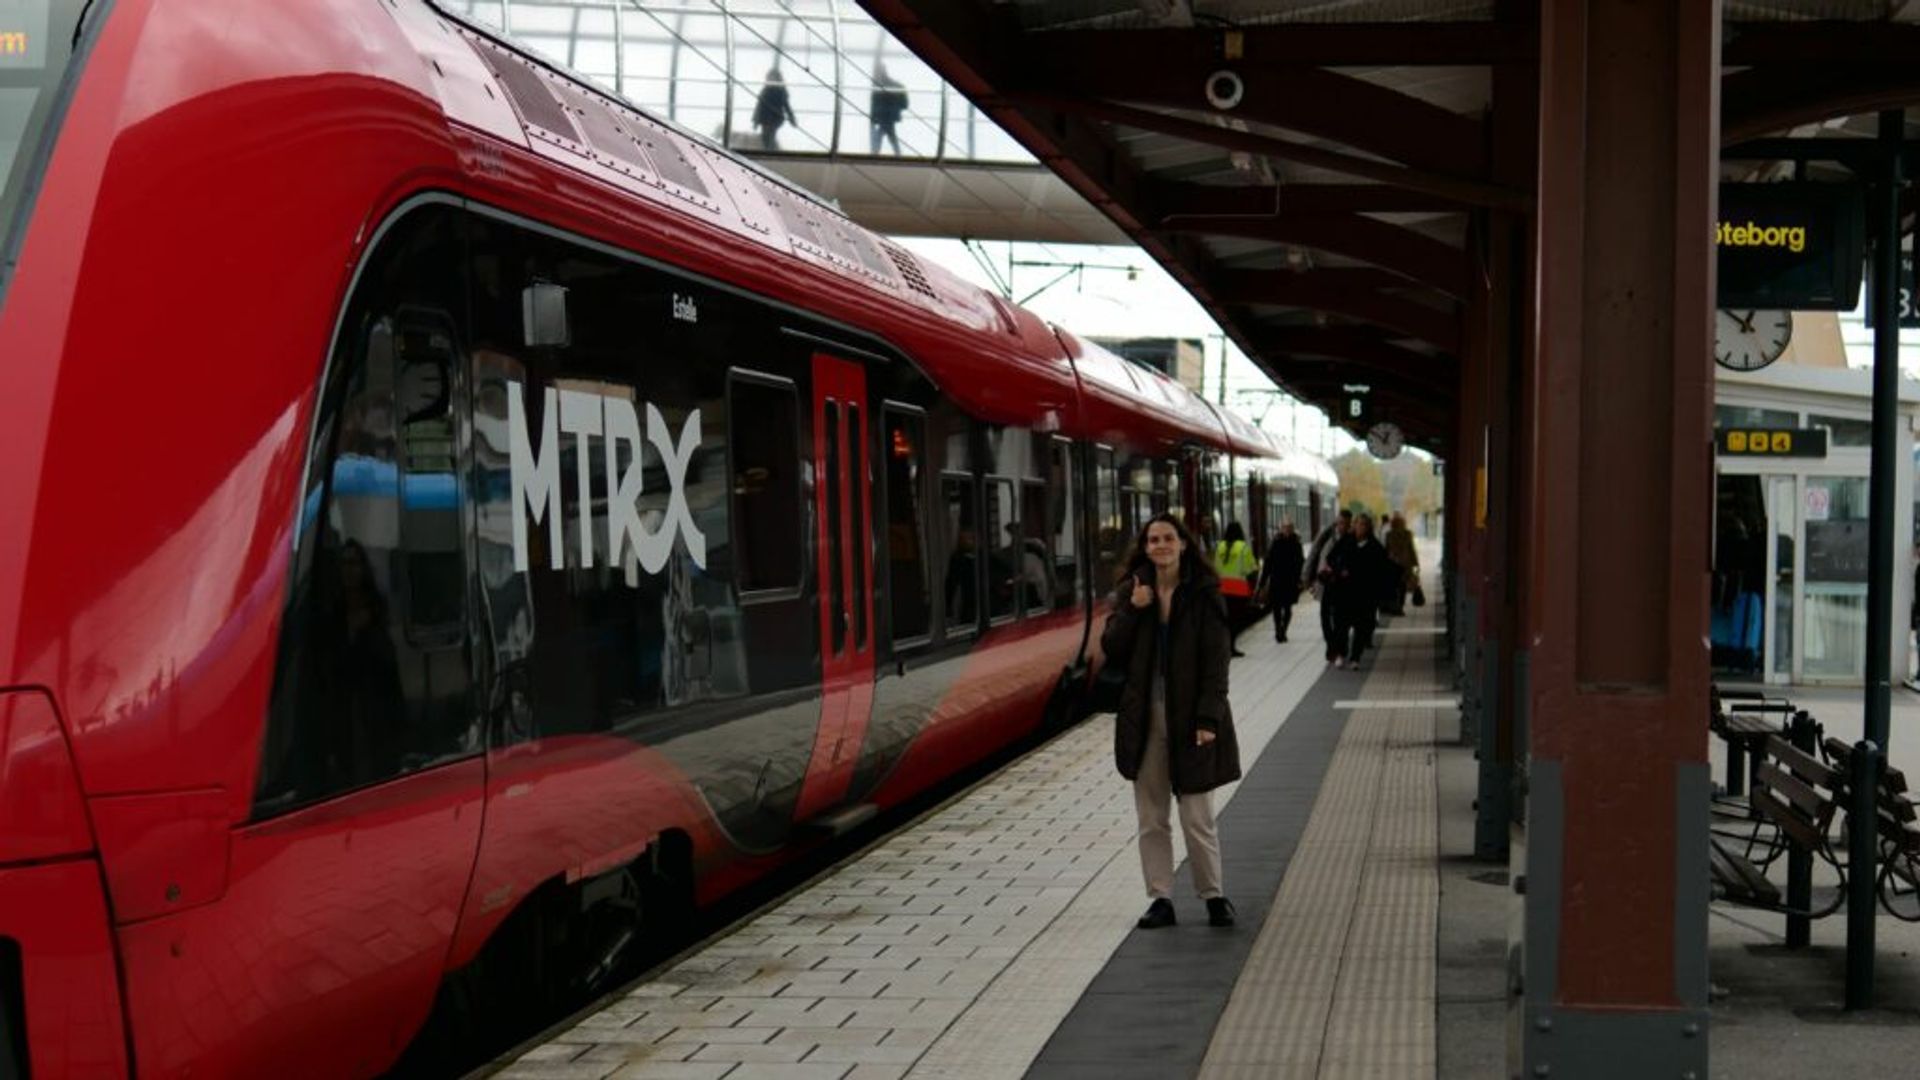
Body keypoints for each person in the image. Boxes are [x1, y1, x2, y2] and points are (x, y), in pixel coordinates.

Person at [1101, 513, 1241, 930]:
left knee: (1197, 814)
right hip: (1145, 718)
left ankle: (1213, 895)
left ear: (1183, 543)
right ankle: (1160, 897)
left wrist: (1208, 720)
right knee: (1151, 816)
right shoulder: (1134, 591)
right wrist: (1133, 609)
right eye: (1152, 540)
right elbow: (1111, 646)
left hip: (1191, 718)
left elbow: (1217, 663)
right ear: (1144, 548)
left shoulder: (1204, 593)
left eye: (1167, 538)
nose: (1159, 545)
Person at [1330, 514, 1392, 670]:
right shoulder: (1346, 541)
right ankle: (1340, 654)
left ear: (1368, 527)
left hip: (1364, 594)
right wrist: (1340, 570)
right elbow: (1331, 558)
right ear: (1354, 526)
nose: (1361, 528)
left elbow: (1383, 568)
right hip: (1344, 592)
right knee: (1341, 626)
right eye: (1358, 524)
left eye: (1364, 525)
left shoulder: (1374, 546)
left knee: (1360, 627)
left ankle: (1355, 658)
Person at [1305, 510, 1353, 665]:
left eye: (1345, 524)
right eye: (1339, 523)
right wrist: (1307, 577)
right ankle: (1332, 647)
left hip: (1344, 586)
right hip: (1325, 584)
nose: (1341, 527)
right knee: (1325, 618)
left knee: (1342, 620)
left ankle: (1339, 649)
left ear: (1349, 524)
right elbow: (1314, 554)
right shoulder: (1326, 536)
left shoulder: (1351, 540)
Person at [1213, 521, 1258, 657]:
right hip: (1238, 590)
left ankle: (1225, 646)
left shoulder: (1219, 547)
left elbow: (1215, 568)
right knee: (1236, 620)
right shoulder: (1243, 548)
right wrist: (1253, 589)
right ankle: (1231, 647)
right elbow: (1251, 570)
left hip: (1221, 590)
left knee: (1224, 620)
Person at [1256, 520, 1305, 643]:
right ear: (1281, 528)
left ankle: (1283, 630)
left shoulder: (1296, 544)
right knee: (1276, 607)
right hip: (1277, 580)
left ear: (1292, 529)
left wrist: (1301, 580)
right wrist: (1262, 583)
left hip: (1291, 581)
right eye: (1284, 527)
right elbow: (1268, 563)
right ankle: (1278, 629)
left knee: (1287, 608)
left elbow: (1300, 563)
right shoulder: (1275, 543)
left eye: (1289, 527)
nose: (1287, 529)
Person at [1382, 512, 1418, 616]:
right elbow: (1411, 549)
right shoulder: (1408, 534)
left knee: (1394, 586)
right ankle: (1400, 606)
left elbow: (1386, 550)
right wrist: (1416, 563)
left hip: (1393, 563)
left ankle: (1396, 606)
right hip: (1405, 564)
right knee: (1402, 586)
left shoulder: (1389, 534)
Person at [752, 67, 797, 151]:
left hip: (775, 118)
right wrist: (756, 121)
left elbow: (787, 106)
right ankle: (768, 149)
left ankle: (769, 150)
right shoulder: (766, 90)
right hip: (765, 117)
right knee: (766, 136)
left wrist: (792, 119)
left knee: (770, 134)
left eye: (773, 77)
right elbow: (759, 106)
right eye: (770, 77)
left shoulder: (780, 91)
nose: (771, 79)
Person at [869, 62, 908, 155]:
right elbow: (904, 105)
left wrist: (873, 118)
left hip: (884, 116)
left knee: (883, 133)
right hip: (889, 116)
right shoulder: (896, 86)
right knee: (888, 133)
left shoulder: (878, 87)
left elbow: (875, 103)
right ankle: (896, 153)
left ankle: (876, 153)